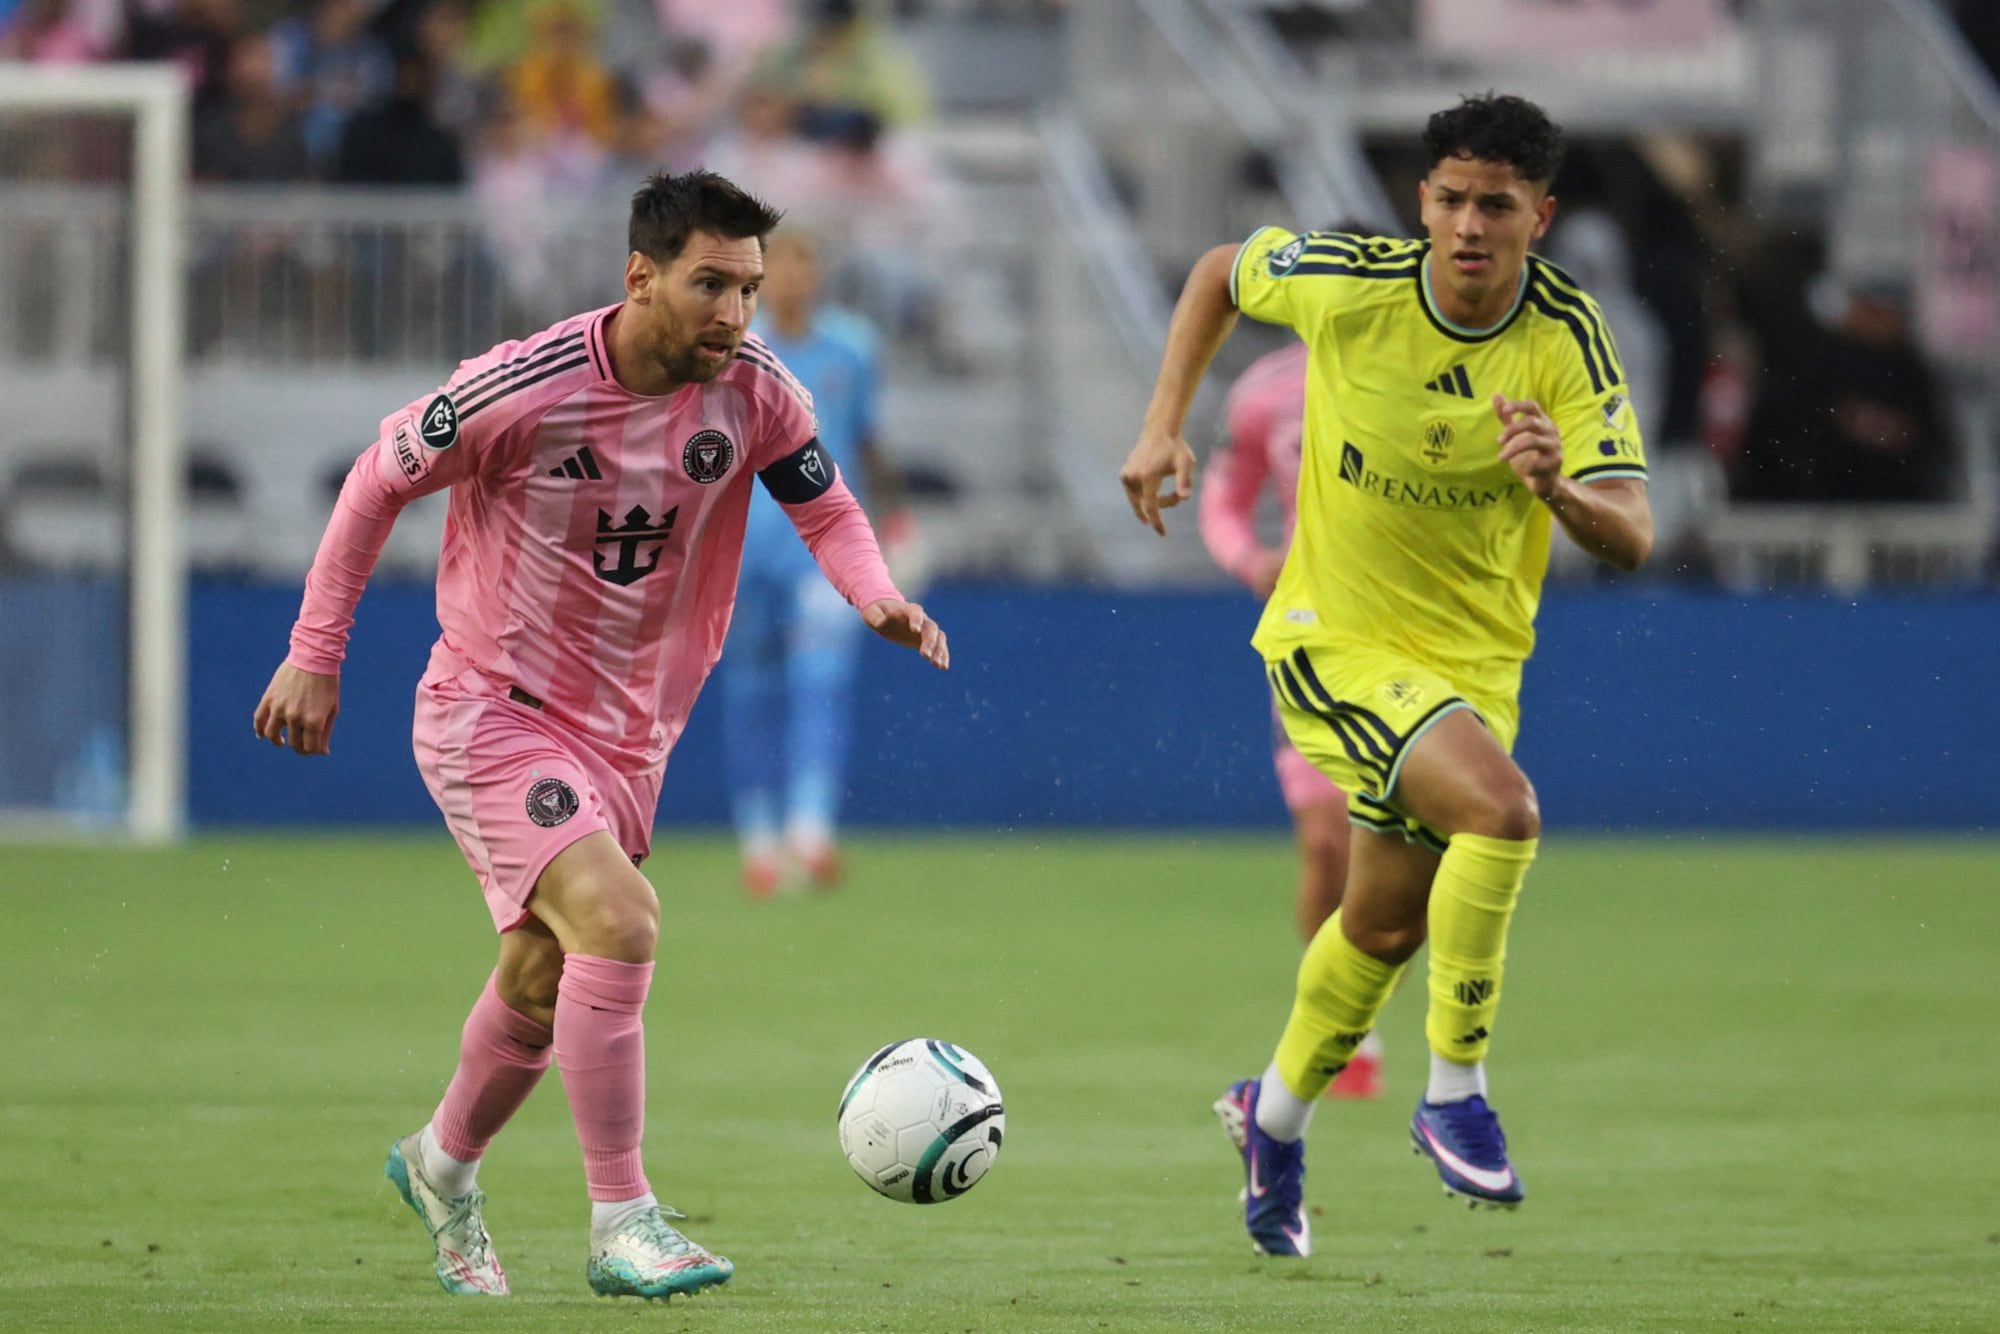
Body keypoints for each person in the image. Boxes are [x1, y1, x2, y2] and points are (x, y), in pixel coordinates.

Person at [252, 170, 948, 1300]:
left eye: (750, 288)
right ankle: (623, 1217)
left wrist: (871, 592)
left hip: (629, 736)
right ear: (641, 276)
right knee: (619, 920)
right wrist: (315, 650)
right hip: (492, 706)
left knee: (539, 971)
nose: (734, 313)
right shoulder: (519, 388)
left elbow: (822, 500)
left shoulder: (760, 390)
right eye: (709, 284)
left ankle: (440, 1163)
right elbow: (375, 481)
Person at [1120, 94, 1652, 1257]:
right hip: (1332, 640)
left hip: (1471, 670)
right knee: (1503, 812)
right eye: (1450, 198)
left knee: (1379, 927)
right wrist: (1164, 421)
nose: (1468, 224)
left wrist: (1558, 490)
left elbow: (1633, 531)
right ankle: (1453, 1089)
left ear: (1539, 217)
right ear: (1422, 201)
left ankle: (1268, 1119)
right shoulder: (1350, 279)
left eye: (1495, 205)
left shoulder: (1565, 336)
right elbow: (1218, 270)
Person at [1199, 334, 1382, 1101]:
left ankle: (1364, 998)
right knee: (1326, 846)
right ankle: (1346, 1030)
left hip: (1418, 633)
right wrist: (1250, 559)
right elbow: (1224, 497)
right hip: (1310, 635)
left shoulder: (1434, 376)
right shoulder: (1266, 391)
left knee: (1410, 862)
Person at [717, 228, 895, 896]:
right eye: (779, 264)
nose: (793, 276)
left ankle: (811, 832)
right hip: (740, 547)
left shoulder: (853, 347)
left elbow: (870, 437)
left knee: (821, 682)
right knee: (751, 691)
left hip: (822, 549)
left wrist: (892, 520)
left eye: (803, 262)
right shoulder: (732, 351)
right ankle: (759, 842)